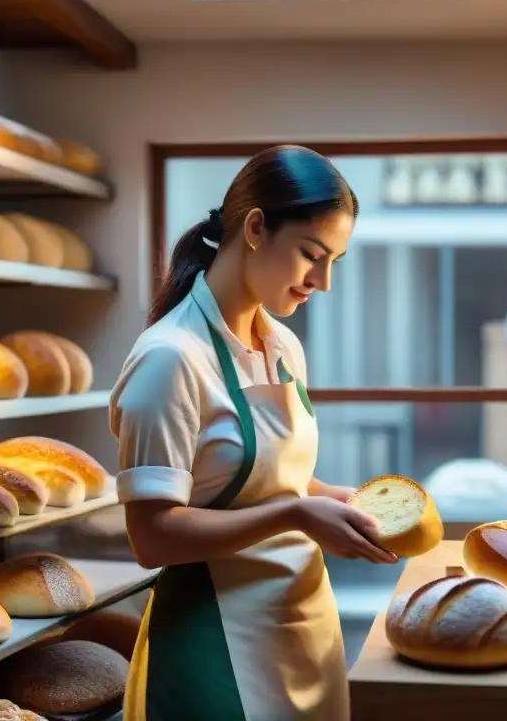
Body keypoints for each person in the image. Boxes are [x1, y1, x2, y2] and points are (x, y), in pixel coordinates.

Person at [109, 145, 397, 721]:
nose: (323, 281)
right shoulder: (171, 358)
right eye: (312, 255)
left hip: (300, 630)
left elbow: (272, 483)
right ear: (257, 227)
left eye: (334, 260)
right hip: (213, 645)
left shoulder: (282, 346)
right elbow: (153, 536)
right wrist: (295, 516)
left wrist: (343, 501)